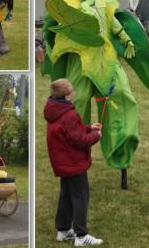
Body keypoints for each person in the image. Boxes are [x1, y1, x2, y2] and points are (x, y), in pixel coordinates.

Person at [43, 0, 149, 190]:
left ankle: (121, 144)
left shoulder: (104, 1)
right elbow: (55, 30)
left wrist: (126, 39)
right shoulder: (68, 5)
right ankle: (73, 156)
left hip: (106, 61)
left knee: (123, 96)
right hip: (81, 64)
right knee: (76, 104)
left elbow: (114, 23)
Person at [44, 79, 103, 246]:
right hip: (73, 163)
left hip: (63, 163)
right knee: (80, 197)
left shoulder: (54, 109)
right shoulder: (68, 114)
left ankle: (63, 231)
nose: (74, 93)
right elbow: (79, 140)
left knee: (66, 195)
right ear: (67, 95)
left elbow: (71, 131)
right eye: (72, 90)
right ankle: (81, 235)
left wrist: (88, 128)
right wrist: (96, 136)